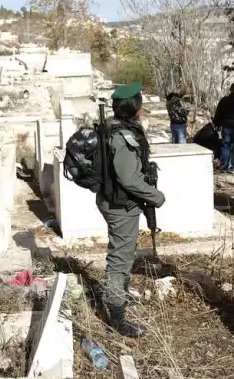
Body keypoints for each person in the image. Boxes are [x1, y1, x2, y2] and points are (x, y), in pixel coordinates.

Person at [97, 81, 166, 338]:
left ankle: (119, 297)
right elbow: (128, 179)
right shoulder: (122, 137)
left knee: (122, 254)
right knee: (120, 260)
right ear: (134, 108)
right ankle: (117, 316)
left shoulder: (117, 128)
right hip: (120, 205)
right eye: (139, 103)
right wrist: (156, 196)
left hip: (117, 201)